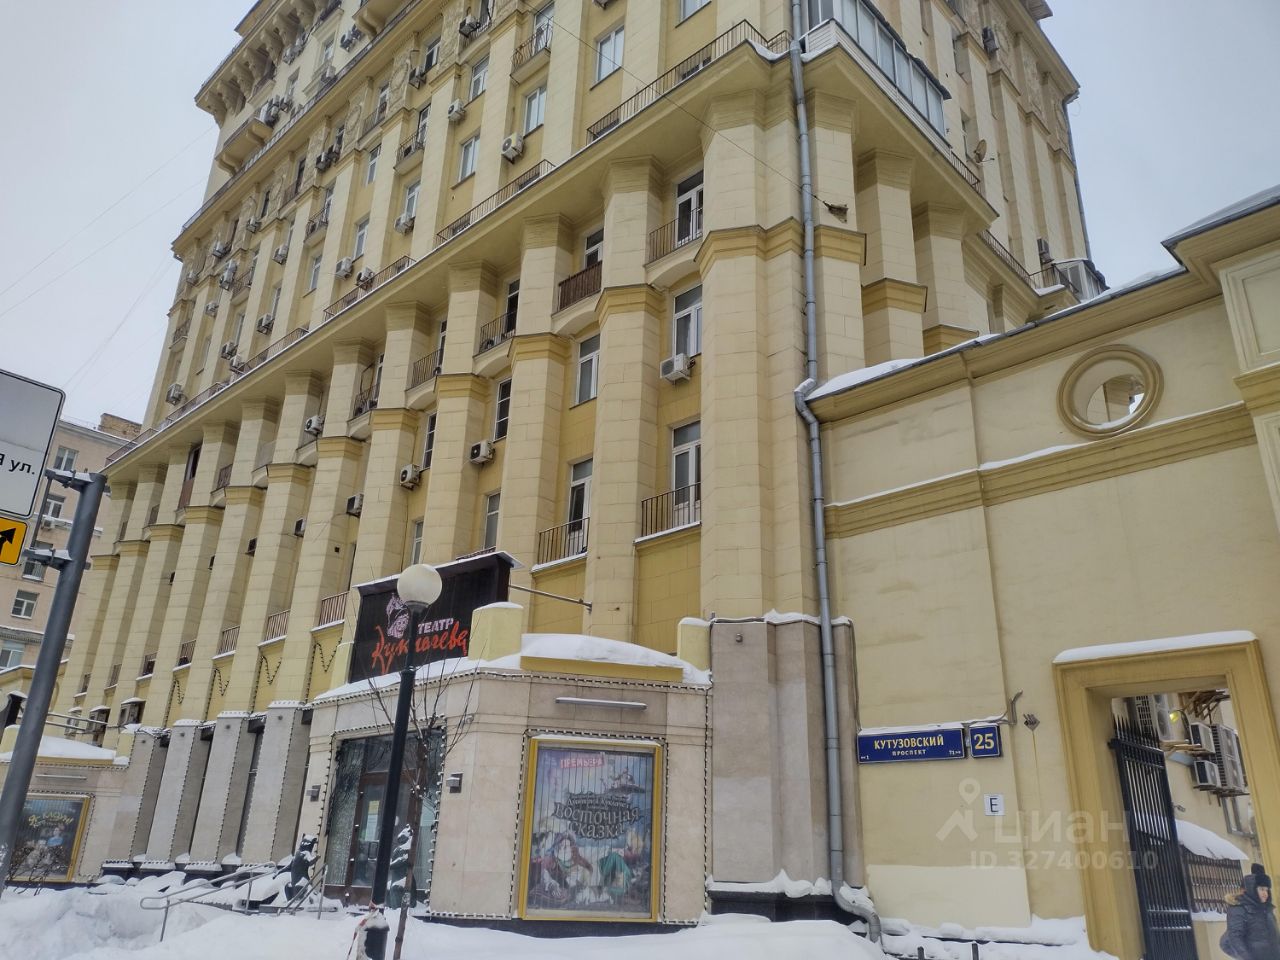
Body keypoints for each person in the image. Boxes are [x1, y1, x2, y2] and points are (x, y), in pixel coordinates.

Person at [1223, 863, 1280, 959]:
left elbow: (1275, 937)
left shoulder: (1267, 910)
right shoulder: (1239, 909)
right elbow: (1234, 940)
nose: (1265, 893)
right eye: (1262, 889)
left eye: (1267, 890)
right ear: (1251, 889)